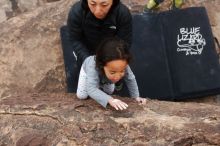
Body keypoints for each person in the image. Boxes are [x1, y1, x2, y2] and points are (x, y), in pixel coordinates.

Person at [60, 0, 132, 93]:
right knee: (86, 84)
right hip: (87, 50)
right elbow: (75, 40)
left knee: (113, 83)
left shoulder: (122, 13)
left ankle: (117, 84)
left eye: (104, 4)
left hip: (111, 53)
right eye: (93, 4)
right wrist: (87, 60)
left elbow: (125, 41)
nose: (98, 11)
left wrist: (112, 60)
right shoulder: (77, 12)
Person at [76, 37, 146, 110]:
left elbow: (130, 79)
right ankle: (97, 85)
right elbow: (91, 88)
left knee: (109, 91)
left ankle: (101, 85)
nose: (117, 77)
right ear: (102, 65)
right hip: (87, 71)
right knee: (82, 96)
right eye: (113, 72)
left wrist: (136, 97)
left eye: (122, 71)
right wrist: (110, 100)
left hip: (106, 77)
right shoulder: (92, 67)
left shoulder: (122, 64)